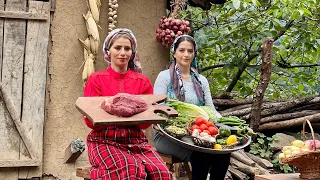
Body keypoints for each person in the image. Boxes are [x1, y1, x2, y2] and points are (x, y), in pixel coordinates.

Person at [83, 28, 172, 180]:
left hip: (136, 140)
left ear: (133, 52)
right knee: (130, 169)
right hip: (103, 140)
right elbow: (90, 121)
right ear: (108, 51)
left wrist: (135, 114)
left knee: (162, 173)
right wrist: (115, 110)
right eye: (117, 48)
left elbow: (144, 125)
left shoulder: (142, 81)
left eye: (127, 48)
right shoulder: (96, 79)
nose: (123, 53)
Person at [153, 35, 231, 180]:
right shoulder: (164, 77)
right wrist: (169, 125)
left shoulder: (201, 80)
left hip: (197, 134)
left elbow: (210, 109)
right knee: (202, 155)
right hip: (168, 135)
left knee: (223, 154)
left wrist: (226, 123)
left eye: (190, 51)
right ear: (174, 52)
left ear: (194, 53)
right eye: (182, 50)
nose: (186, 54)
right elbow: (158, 109)